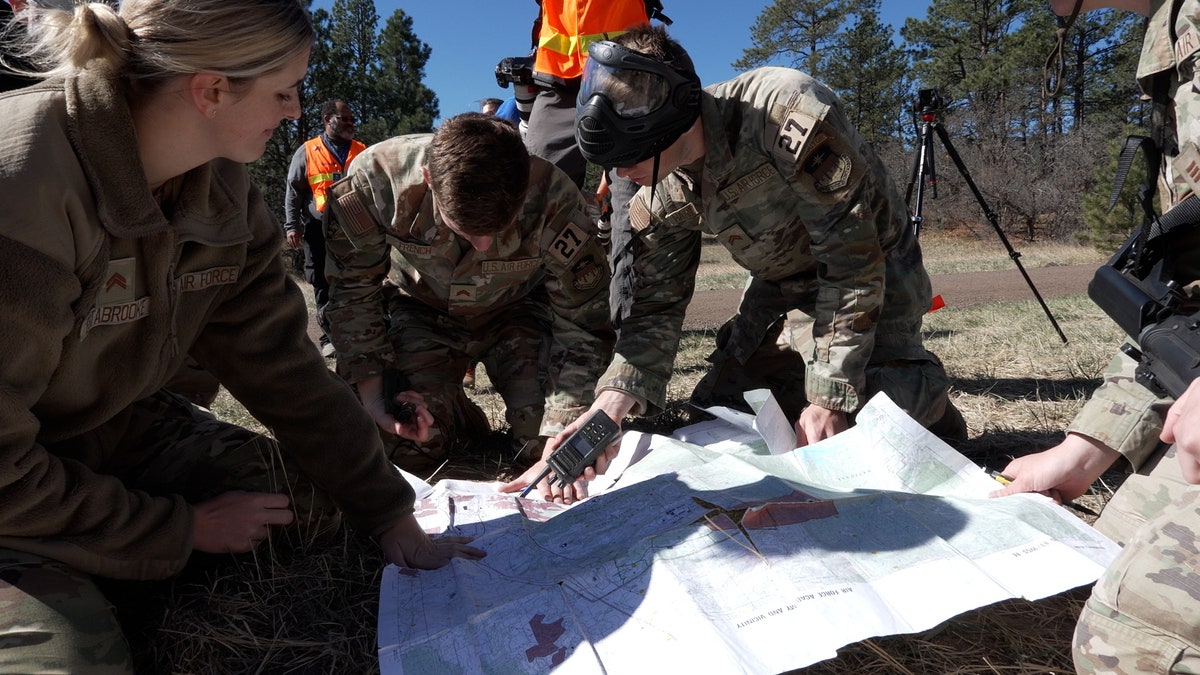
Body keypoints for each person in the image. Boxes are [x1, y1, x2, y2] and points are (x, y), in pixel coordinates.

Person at [0, 0, 484, 669]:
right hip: (10, 475)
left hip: (101, 430)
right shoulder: (24, 182)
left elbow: (285, 368)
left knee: (307, 506)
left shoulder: (221, 193)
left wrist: (388, 509)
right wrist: (180, 528)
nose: (295, 111)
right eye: (284, 92)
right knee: (70, 660)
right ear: (211, 89)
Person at [504, 23, 965, 502]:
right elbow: (653, 311)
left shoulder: (786, 113)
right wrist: (609, 406)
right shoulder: (656, 191)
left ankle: (924, 397)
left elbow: (851, 259)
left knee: (850, 421)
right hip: (781, 285)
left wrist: (830, 393)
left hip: (874, 275)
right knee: (721, 413)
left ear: (674, 120)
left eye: (631, 156)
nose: (621, 174)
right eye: (610, 161)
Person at [992, 0, 1200, 671]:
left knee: (1132, 635)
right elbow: (1185, 296)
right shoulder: (1170, 30)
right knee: (1102, 562)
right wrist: (1086, 447)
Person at [323, 112, 614, 472]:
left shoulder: (553, 196)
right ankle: (454, 413)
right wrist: (374, 398)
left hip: (516, 313)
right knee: (406, 440)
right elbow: (353, 293)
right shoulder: (376, 182)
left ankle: (480, 417)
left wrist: (561, 425)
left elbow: (584, 319)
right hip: (421, 314)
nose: (483, 245)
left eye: (499, 228)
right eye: (465, 228)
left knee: (547, 447)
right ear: (429, 179)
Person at [284, 99, 365, 358]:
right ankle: (328, 338)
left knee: (357, 280)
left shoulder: (362, 150)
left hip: (355, 229)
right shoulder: (307, 151)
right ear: (327, 119)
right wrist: (292, 225)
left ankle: (357, 333)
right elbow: (293, 191)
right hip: (318, 228)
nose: (350, 123)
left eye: (352, 119)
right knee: (321, 280)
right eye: (344, 119)